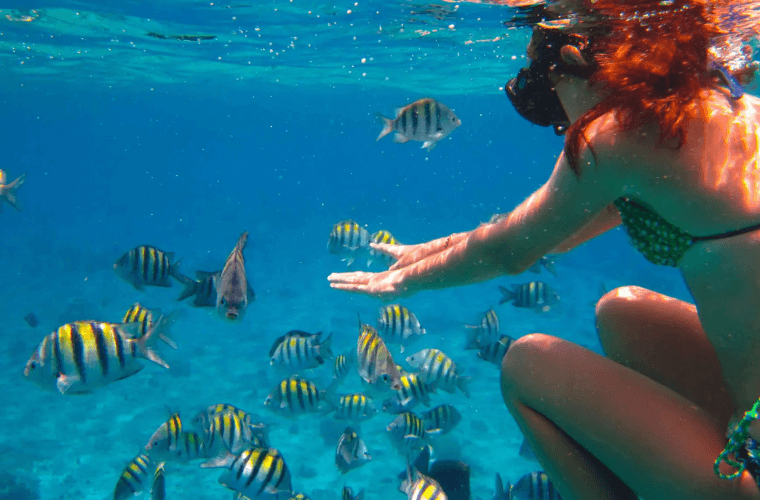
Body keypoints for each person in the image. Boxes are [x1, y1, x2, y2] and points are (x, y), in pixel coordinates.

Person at [328, 1, 760, 498]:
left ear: (578, 59)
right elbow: (533, 237)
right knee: (623, 312)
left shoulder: (617, 136)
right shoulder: (703, 111)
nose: (559, 119)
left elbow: (509, 252)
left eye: (552, 86)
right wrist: (428, 250)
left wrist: (399, 283)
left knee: (525, 362)